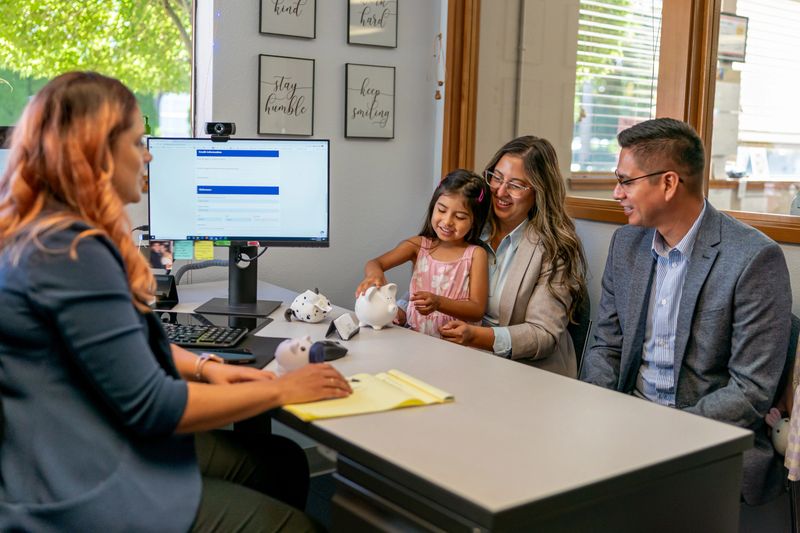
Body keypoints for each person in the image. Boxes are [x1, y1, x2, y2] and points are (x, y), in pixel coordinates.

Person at [0, 71, 352, 532]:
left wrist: (207, 367)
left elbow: (122, 347)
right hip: (81, 478)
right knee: (296, 525)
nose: (148, 156)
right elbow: (153, 407)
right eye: (136, 142)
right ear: (96, 154)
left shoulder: (42, 233)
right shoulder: (72, 252)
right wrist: (281, 389)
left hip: (68, 439)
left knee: (282, 461)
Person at [580, 117, 792, 506]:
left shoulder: (754, 259)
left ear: (668, 183)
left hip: (708, 442)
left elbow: (750, 391)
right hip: (627, 426)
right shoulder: (626, 245)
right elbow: (605, 347)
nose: (616, 193)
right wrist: (602, 414)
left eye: (626, 181)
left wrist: (665, 432)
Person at [438, 136, 586, 378]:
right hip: (461, 359)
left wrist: (477, 337)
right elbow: (432, 274)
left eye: (516, 185)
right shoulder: (467, 224)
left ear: (539, 191)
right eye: (496, 177)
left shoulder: (554, 248)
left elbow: (543, 334)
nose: (500, 191)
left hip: (526, 371)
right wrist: (399, 307)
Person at [356, 169, 490, 338]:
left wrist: (439, 303)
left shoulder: (475, 255)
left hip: (456, 347)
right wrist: (374, 275)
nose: (447, 221)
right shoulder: (418, 246)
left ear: (475, 221)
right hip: (416, 340)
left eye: (460, 217)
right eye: (442, 210)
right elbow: (375, 263)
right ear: (433, 207)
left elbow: (477, 310)